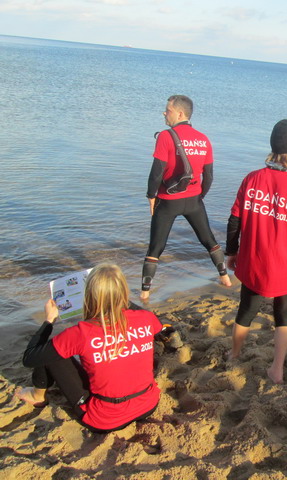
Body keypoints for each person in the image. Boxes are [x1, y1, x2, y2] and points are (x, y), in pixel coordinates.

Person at [225, 119, 287, 384]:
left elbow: (235, 220)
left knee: (246, 310)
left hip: (253, 261)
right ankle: (276, 369)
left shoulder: (253, 178)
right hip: (285, 267)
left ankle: (234, 355)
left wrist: (230, 252)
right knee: (283, 316)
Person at [15, 264, 163, 433]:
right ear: (123, 291)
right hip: (148, 404)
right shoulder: (147, 318)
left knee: (51, 352)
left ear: (89, 295)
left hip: (104, 419)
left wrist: (49, 321)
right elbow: (157, 327)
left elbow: (30, 358)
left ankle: (36, 396)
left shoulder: (82, 332)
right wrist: (119, 299)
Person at [141, 95, 231, 301]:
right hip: (194, 202)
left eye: (168, 110)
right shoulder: (204, 139)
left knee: (156, 246)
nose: (165, 113)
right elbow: (208, 176)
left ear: (180, 113)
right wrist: (200, 196)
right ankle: (225, 278)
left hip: (168, 201)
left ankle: (144, 293)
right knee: (208, 240)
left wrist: (151, 196)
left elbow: (156, 172)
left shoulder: (166, 136)